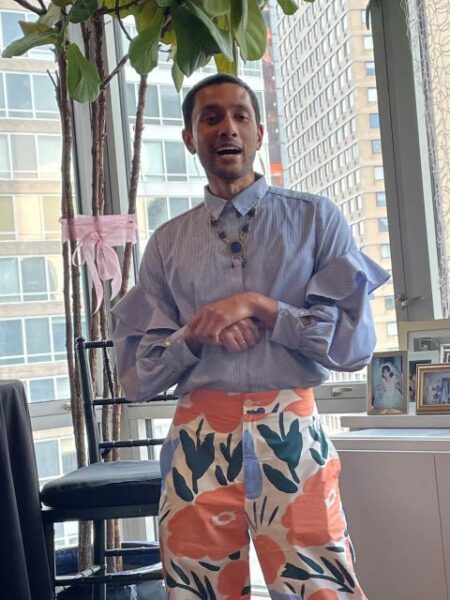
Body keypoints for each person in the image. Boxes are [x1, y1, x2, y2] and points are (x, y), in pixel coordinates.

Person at [112, 73, 389, 600]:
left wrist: (262, 308)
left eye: (240, 115)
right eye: (210, 117)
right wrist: (197, 333)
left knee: (321, 588)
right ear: (190, 138)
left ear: (259, 132)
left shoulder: (316, 219)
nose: (227, 127)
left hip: (292, 430)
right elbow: (136, 378)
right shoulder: (166, 244)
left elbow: (353, 348)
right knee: (197, 590)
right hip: (197, 440)